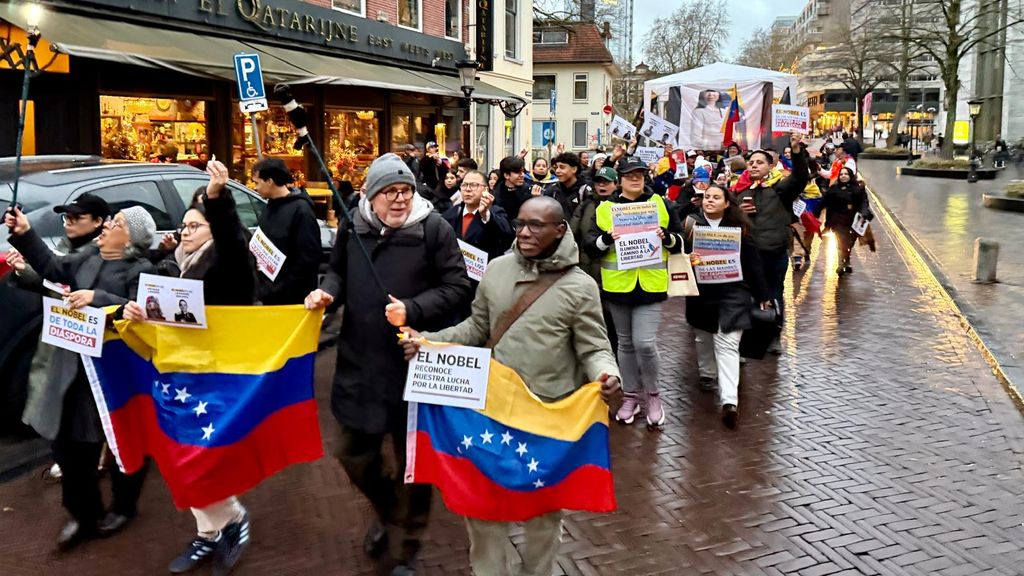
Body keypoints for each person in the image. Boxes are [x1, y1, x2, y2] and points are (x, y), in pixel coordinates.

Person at [400, 196, 622, 576]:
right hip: (491, 412)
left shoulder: (581, 286)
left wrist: (608, 375)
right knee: (483, 510)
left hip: (546, 419)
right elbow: (475, 328)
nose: (524, 232)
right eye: (520, 223)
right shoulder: (497, 271)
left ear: (559, 230)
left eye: (536, 225)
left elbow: (595, 346)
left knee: (543, 518)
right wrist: (427, 342)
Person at [303, 153, 471, 576]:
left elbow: (457, 287)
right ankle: (388, 510)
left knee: (415, 463)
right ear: (369, 196)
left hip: (416, 363)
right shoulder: (352, 226)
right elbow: (337, 272)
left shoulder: (434, 228)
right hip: (360, 362)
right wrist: (327, 295)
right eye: (389, 192)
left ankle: (406, 545)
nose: (399, 199)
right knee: (351, 452)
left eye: (405, 191)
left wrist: (412, 308)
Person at [121, 159, 257, 575]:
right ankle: (209, 532)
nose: (185, 232)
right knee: (181, 450)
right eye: (182, 226)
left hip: (216, 369)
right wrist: (139, 313)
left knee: (201, 454)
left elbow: (234, 240)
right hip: (179, 370)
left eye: (194, 226)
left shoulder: (228, 259)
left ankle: (233, 519)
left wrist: (217, 198)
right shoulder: (179, 263)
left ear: (213, 229)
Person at [4, 204, 155, 551]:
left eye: (115, 223)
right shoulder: (88, 255)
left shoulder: (140, 270)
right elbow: (54, 267)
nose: (105, 227)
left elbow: (142, 311)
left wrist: (99, 299)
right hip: (71, 367)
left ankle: (124, 507)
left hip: (110, 378)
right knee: (69, 447)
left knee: (121, 446)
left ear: (130, 238)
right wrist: (25, 232)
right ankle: (83, 516)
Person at [5, 193, 111, 484]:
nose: (69, 223)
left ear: (99, 222)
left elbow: (64, 275)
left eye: (77, 217)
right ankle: (74, 463)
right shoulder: (67, 248)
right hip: (63, 344)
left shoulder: (104, 253)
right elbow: (54, 283)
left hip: (94, 351)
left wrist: (26, 234)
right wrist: (24, 272)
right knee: (59, 404)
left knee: (91, 411)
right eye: (66, 217)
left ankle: (98, 461)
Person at [585, 157, 684, 428]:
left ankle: (653, 395)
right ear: (620, 180)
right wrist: (606, 239)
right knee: (625, 344)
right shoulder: (606, 208)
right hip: (618, 286)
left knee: (645, 343)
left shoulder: (661, 204)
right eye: (629, 175)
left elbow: (680, 240)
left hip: (650, 284)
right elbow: (590, 245)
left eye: (640, 175)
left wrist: (668, 237)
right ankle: (630, 396)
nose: (635, 179)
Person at [683, 185, 771, 428]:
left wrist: (763, 294)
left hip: (734, 293)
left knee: (728, 343)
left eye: (715, 197)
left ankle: (729, 402)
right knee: (703, 336)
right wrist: (687, 259)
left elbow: (753, 263)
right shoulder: (691, 226)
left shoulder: (739, 229)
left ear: (726, 203)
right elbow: (677, 255)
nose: (709, 201)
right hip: (701, 294)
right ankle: (707, 373)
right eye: (706, 197)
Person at [732, 134, 808, 349]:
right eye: (751, 162)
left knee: (774, 294)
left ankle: (774, 334)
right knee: (747, 296)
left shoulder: (780, 189)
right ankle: (747, 339)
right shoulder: (738, 191)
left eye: (760, 162)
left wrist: (796, 151)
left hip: (773, 252)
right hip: (747, 255)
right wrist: (737, 211)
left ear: (770, 166)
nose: (754, 165)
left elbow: (801, 177)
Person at [440, 170, 514, 318]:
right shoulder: (450, 214)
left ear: (486, 189)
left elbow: (507, 235)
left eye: (474, 185)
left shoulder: (495, 212)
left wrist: (485, 214)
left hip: (483, 287)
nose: (468, 189)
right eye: (465, 185)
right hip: (455, 285)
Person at [250, 158, 321, 305]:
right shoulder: (269, 206)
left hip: (291, 300)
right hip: (267, 295)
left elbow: (308, 259)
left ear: (269, 181)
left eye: (257, 182)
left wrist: (278, 288)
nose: (255, 188)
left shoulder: (301, 211)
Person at [570, 166, 620, 353]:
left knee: (611, 321)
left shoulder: (622, 206)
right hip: (586, 269)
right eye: (599, 181)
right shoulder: (586, 206)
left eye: (607, 182)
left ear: (616, 184)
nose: (602, 185)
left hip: (612, 273)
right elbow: (573, 234)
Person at [821, 167, 871, 276]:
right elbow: (825, 203)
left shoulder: (858, 189)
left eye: (846, 174)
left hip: (853, 221)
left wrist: (864, 213)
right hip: (838, 220)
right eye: (841, 174)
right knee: (841, 241)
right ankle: (841, 264)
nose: (843, 176)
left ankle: (846, 259)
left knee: (849, 243)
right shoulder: (834, 189)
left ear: (850, 176)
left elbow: (864, 203)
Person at [544, 152, 591, 219]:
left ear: (574, 169)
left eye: (562, 167)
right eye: (556, 167)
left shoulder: (585, 190)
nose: (557, 171)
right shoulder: (553, 190)